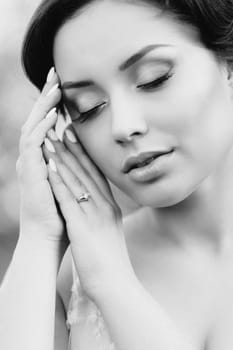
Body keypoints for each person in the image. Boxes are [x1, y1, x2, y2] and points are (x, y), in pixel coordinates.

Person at [1, 0, 233, 349]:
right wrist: (38, 238)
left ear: (227, 62)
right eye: (89, 107)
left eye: (154, 79)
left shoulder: (99, 269)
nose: (124, 127)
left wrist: (113, 284)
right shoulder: (70, 277)